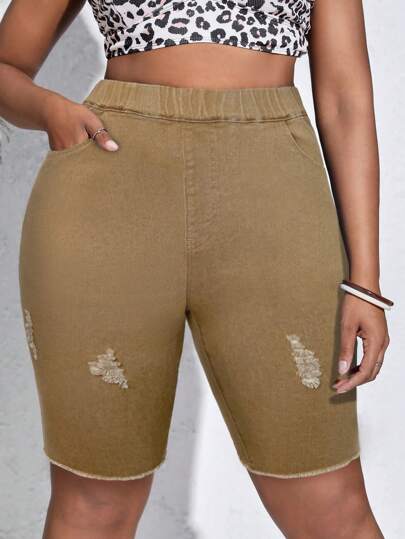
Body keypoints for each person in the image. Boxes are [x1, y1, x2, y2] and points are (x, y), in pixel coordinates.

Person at [0, 0, 393, 537]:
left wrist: (365, 283)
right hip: (110, 193)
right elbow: (5, 66)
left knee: (333, 509)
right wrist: (53, 113)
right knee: (94, 504)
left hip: (275, 201)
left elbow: (346, 97)